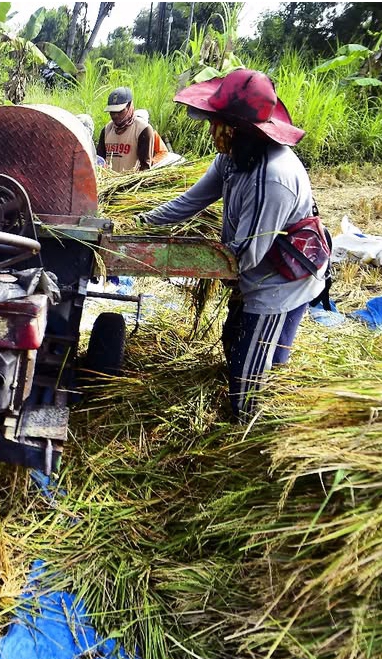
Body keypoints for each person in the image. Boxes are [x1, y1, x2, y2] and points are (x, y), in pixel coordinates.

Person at [137, 69, 326, 421]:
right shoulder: (232, 158)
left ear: (239, 130)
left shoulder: (273, 178)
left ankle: (245, 427)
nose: (211, 131)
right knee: (236, 335)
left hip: (282, 276)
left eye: (217, 124)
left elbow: (246, 256)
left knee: (248, 365)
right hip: (261, 263)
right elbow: (192, 200)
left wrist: (186, 260)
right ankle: (266, 384)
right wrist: (142, 222)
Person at [97, 87, 155, 172]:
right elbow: (99, 161)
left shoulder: (142, 130)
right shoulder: (106, 130)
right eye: (112, 112)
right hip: (109, 182)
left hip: (131, 183)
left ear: (129, 106)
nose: (115, 115)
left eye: (120, 111)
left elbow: (145, 167)